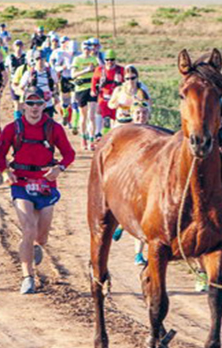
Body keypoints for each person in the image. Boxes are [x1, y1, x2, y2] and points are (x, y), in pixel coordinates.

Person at [0, 86, 75, 294]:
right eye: (30, 103)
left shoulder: (53, 128)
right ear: (23, 106)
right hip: (21, 183)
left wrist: (59, 168)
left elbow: (69, 154)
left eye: (39, 103)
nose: (35, 108)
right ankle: (27, 277)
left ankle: (35, 246)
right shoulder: (13, 128)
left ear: (44, 105)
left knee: (42, 236)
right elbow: (0, 154)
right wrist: (5, 172)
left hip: (46, 185)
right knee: (28, 229)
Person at [111, 100, 152, 266]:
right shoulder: (126, 132)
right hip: (129, 176)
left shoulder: (155, 132)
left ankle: (139, 254)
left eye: (144, 113)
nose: (141, 116)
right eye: (138, 113)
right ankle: (121, 223)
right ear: (132, 115)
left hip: (147, 177)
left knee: (145, 218)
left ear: (148, 116)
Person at [71, 41, 98, 150]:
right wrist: (86, 70)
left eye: (88, 48)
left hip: (91, 88)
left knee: (92, 115)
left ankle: (92, 139)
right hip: (81, 88)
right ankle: (83, 138)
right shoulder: (77, 59)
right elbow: (73, 75)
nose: (87, 50)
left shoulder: (93, 59)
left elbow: (98, 71)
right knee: (83, 115)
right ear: (82, 49)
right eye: (85, 48)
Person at [90, 50, 124, 137]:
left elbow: (126, 83)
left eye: (112, 60)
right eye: (107, 60)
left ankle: (113, 134)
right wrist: (93, 90)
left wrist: (120, 82)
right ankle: (98, 133)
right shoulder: (100, 70)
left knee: (114, 116)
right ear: (104, 60)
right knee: (101, 113)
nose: (109, 62)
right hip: (103, 95)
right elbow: (94, 79)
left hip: (116, 96)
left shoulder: (120, 70)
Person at [19, 50, 59, 118]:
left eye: (42, 59)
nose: (40, 61)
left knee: (48, 125)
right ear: (34, 60)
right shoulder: (29, 73)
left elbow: (56, 84)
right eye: (38, 59)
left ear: (45, 59)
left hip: (47, 104)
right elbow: (21, 87)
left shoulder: (51, 72)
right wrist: (28, 95)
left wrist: (54, 94)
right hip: (34, 106)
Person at [50, 36, 74, 128]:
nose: (65, 44)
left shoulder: (73, 52)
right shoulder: (57, 52)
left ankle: (70, 120)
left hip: (73, 77)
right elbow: (53, 66)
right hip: (62, 77)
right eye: (63, 42)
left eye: (66, 42)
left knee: (73, 101)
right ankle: (64, 115)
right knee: (63, 100)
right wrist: (61, 68)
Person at [5, 39, 27, 120]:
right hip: (14, 82)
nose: (19, 48)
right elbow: (7, 71)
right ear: (13, 47)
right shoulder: (9, 58)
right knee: (17, 104)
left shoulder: (26, 57)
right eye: (17, 46)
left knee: (24, 104)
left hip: (24, 83)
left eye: (20, 46)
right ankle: (18, 123)